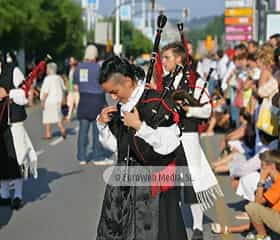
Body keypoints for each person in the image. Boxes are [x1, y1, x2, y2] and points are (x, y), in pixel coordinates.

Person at [96, 56, 187, 240]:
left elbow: (170, 146)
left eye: (115, 91)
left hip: (154, 190)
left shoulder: (156, 102)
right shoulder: (123, 108)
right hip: (123, 190)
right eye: (109, 93)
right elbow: (118, 148)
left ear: (128, 81)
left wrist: (140, 127)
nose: (113, 97)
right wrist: (103, 125)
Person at [161, 42, 223, 240]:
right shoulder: (164, 82)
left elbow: (207, 110)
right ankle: (174, 225)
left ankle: (197, 227)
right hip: (168, 138)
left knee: (192, 185)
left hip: (188, 138)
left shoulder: (195, 81)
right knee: (171, 186)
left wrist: (188, 110)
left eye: (167, 58)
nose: (163, 62)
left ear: (179, 59)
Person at [0, 44, 38, 210]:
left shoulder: (13, 71)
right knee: (0, 159)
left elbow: (24, 96)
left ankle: (17, 196)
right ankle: (4, 196)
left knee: (16, 157)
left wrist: (9, 93)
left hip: (13, 122)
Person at [74, 45, 111, 165]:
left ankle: (82, 156)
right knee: (97, 131)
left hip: (84, 100)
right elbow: (104, 85)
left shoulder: (79, 68)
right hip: (97, 101)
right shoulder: (99, 68)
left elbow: (75, 85)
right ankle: (97, 156)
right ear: (95, 55)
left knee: (83, 131)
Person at [40, 62, 66, 139]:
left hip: (49, 101)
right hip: (58, 100)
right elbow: (63, 89)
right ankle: (62, 130)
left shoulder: (47, 79)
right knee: (58, 117)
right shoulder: (59, 78)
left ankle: (48, 134)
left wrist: (42, 101)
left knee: (48, 119)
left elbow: (46, 91)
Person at [65, 56, 79, 122]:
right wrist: (67, 87)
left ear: (76, 61)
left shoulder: (79, 69)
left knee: (77, 104)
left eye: (72, 61)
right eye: (70, 61)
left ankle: (80, 116)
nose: (71, 62)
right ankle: (68, 117)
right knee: (70, 103)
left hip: (77, 89)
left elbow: (83, 78)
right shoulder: (68, 69)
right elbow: (68, 79)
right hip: (71, 89)